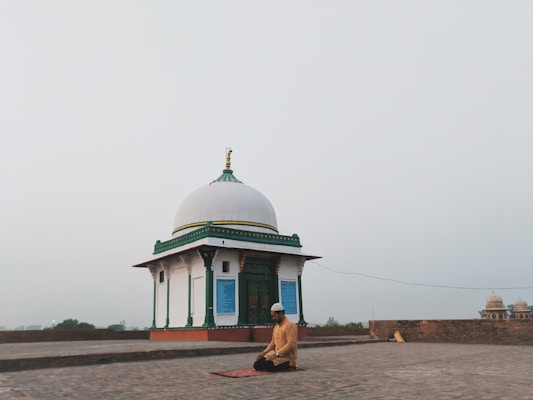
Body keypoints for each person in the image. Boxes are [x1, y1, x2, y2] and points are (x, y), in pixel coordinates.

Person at [253, 302, 298, 371]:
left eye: (274, 316)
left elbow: (290, 344)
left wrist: (277, 354)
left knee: (267, 365)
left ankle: (290, 366)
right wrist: (263, 353)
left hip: (286, 357)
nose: (273, 318)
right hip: (276, 355)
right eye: (272, 316)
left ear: (281, 314)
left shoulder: (290, 325)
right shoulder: (276, 327)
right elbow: (273, 343)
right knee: (257, 364)